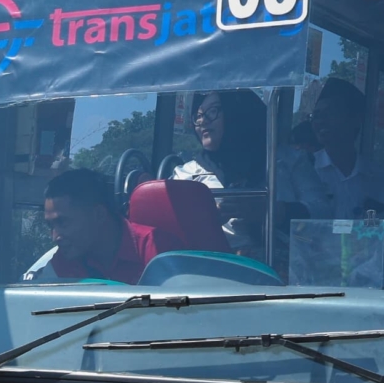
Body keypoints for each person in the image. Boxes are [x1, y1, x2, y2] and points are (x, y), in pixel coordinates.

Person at [277, 79, 384, 221]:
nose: (320, 121)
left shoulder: (380, 178)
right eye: (316, 116)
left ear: (355, 119)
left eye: (330, 113)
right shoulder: (303, 170)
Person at [29, 169, 159, 285]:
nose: (55, 237)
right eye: (50, 226)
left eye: (62, 222)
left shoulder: (156, 249)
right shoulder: (63, 262)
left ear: (99, 214)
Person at [172, 90, 270, 192]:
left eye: (212, 111)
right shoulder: (186, 176)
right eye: (198, 116)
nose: (203, 121)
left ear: (234, 115)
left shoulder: (273, 171)